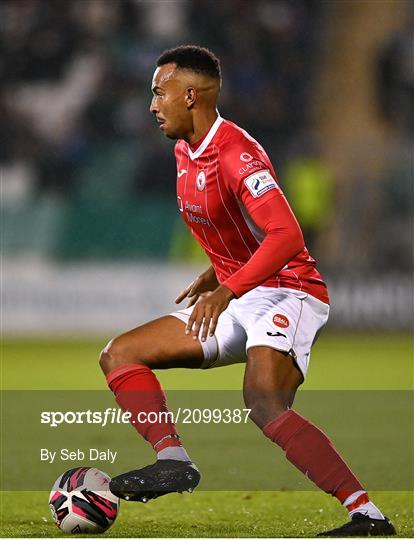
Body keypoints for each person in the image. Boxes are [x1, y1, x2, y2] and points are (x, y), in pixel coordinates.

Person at [99, 45, 396, 537]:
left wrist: (225, 288)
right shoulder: (182, 150)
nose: (152, 104)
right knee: (120, 354)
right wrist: (218, 275)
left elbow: (286, 236)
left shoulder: (237, 153)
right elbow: (239, 229)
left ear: (190, 94)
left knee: (264, 403)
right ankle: (173, 461)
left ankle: (367, 516)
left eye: (159, 92)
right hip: (241, 292)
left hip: (288, 291)